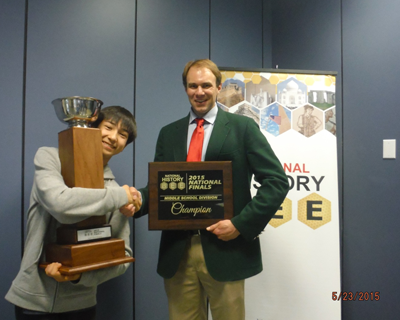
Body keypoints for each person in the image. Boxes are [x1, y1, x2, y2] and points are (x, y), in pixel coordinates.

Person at [135, 59, 289, 320]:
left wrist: (240, 224)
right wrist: (137, 200)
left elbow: (276, 181)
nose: (199, 91)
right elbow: (160, 188)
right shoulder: (168, 133)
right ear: (185, 89)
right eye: (192, 85)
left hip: (225, 249)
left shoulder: (243, 128)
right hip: (178, 252)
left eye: (206, 85)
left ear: (218, 87)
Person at [5, 106, 140, 320]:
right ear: (92, 128)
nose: (113, 137)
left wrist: (79, 276)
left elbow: (124, 257)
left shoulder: (118, 192)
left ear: (124, 146)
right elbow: (61, 206)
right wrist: (121, 197)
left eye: (122, 135)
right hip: (34, 301)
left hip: (82, 305)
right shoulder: (50, 158)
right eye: (108, 127)